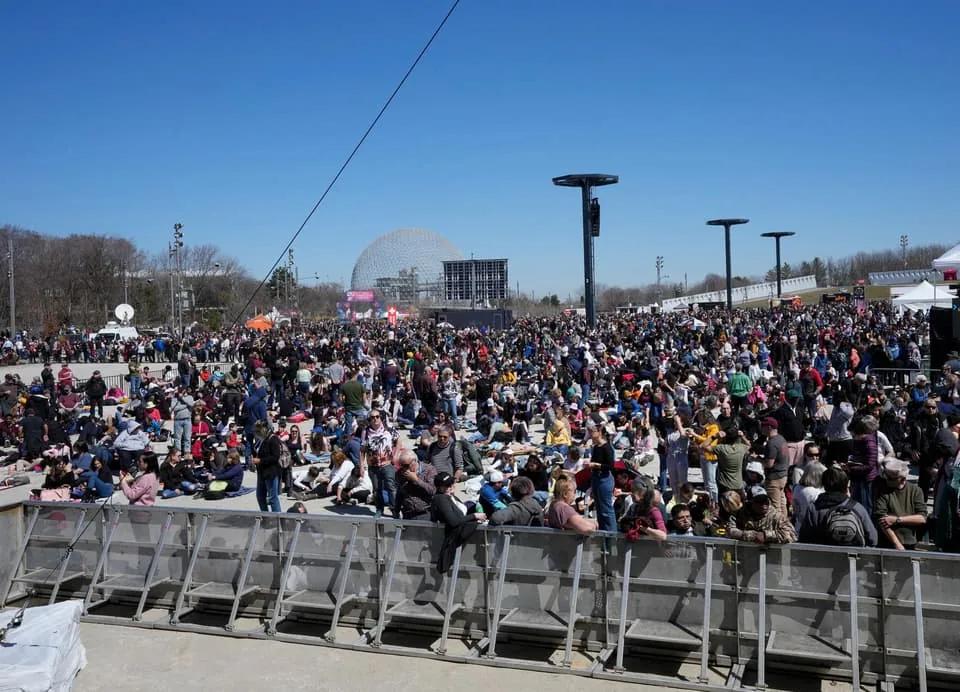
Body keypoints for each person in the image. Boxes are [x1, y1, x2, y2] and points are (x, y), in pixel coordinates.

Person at [797, 466, 877, 546]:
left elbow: (805, 539)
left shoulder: (814, 509)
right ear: (846, 485)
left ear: (824, 486)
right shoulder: (857, 507)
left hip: (822, 556)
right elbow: (873, 539)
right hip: (852, 557)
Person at [874, 458, 927, 550]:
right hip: (888, 541)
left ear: (902, 479)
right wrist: (897, 543)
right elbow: (882, 520)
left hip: (910, 540)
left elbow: (922, 518)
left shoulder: (915, 491)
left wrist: (897, 520)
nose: (887, 480)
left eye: (891, 479)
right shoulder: (883, 491)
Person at [725, 485, 797, 545]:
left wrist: (766, 535)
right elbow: (730, 530)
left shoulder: (776, 516)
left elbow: (792, 535)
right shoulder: (740, 513)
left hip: (771, 557)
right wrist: (750, 535)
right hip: (746, 554)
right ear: (750, 503)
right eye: (759, 501)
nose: (764, 505)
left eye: (765, 500)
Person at [360, 409, 400, 516]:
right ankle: (379, 509)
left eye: (377, 416)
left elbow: (398, 441)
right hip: (373, 466)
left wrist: (395, 455)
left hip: (387, 464)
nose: (375, 419)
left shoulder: (389, 429)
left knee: (391, 487)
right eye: (372, 417)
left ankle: (394, 509)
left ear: (381, 417)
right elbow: (362, 449)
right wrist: (361, 465)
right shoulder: (365, 431)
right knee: (377, 489)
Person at [588, 423, 616, 532]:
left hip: (604, 479)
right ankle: (603, 533)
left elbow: (610, 466)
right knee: (599, 509)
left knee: (606, 510)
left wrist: (596, 465)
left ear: (599, 432)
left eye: (592, 432)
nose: (590, 434)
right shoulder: (595, 447)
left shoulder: (607, 447)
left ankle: (611, 535)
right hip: (596, 478)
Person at [760, 417, 790, 520]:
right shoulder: (781, 439)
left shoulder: (771, 443)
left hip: (774, 478)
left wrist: (758, 459)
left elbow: (769, 464)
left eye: (763, 426)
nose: (761, 428)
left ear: (769, 427)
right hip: (783, 476)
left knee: (775, 506)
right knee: (782, 503)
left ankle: (779, 528)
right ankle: (786, 524)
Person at [395, 449, 437, 520]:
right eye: (401, 465)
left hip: (425, 512)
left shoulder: (429, 470)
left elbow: (433, 490)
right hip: (408, 513)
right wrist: (396, 510)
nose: (404, 468)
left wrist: (416, 480)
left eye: (406, 465)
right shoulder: (400, 473)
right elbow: (399, 492)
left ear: (414, 461)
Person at [252, 420, 282, 512]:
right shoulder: (261, 440)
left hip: (271, 472)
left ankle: (279, 522)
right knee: (260, 497)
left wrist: (260, 460)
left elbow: (275, 457)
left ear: (264, 429)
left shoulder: (273, 439)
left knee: (273, 499)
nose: (257, 433)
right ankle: (266, 519)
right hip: (261, 472)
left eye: (258, 431)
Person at [714, 425, 749, 497]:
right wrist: (742, 436)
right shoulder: (741, 448)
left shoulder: (721, 448)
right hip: (738, 485)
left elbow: (703, 446)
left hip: (724, 485)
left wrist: (715, 436)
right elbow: (749, 445)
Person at [171, 386, 195, 456]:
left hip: (187, 420)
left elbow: (191, 404)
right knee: (177, 438)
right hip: (177, 420)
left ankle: (187, 452)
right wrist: (185, 406)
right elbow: (174, 408)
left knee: (187, 437)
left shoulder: (190, 397)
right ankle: (178, 452)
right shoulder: (175, 399)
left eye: (182, 390)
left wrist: (183, 399)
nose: (181, 392)